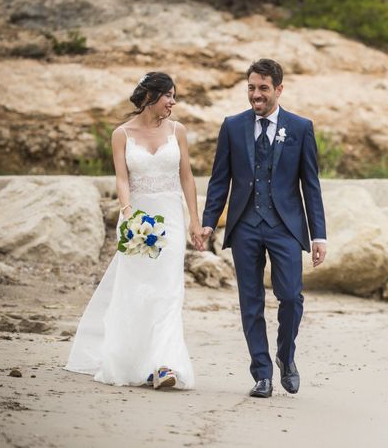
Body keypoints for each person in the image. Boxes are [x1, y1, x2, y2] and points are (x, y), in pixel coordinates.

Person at [66, 72, 203, 390]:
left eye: (174, 96)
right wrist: (128, 214)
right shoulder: (121, 134)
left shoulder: (177, 131)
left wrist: (194, 220)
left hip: (170, 218)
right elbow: (123, 178)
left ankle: (164, 365)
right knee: (135, 291)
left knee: (168, 292)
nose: (172, 102)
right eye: (167, 95)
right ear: (149, 97)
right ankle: (132, 361)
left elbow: (187, 177)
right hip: (136, 219)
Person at [201, 58, 326, 398]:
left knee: (291, 297)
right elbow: (219, 180)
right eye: (252, 88)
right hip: (244, 226)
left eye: (263, 89)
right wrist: (208, 223)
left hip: (285, 226)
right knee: (250, 301)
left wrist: (319, 235)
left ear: (278, 90)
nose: (256, 95)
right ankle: (262, 374)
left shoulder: (300, 128)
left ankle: (286, 357)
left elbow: (310, 185)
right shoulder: (232, 126)